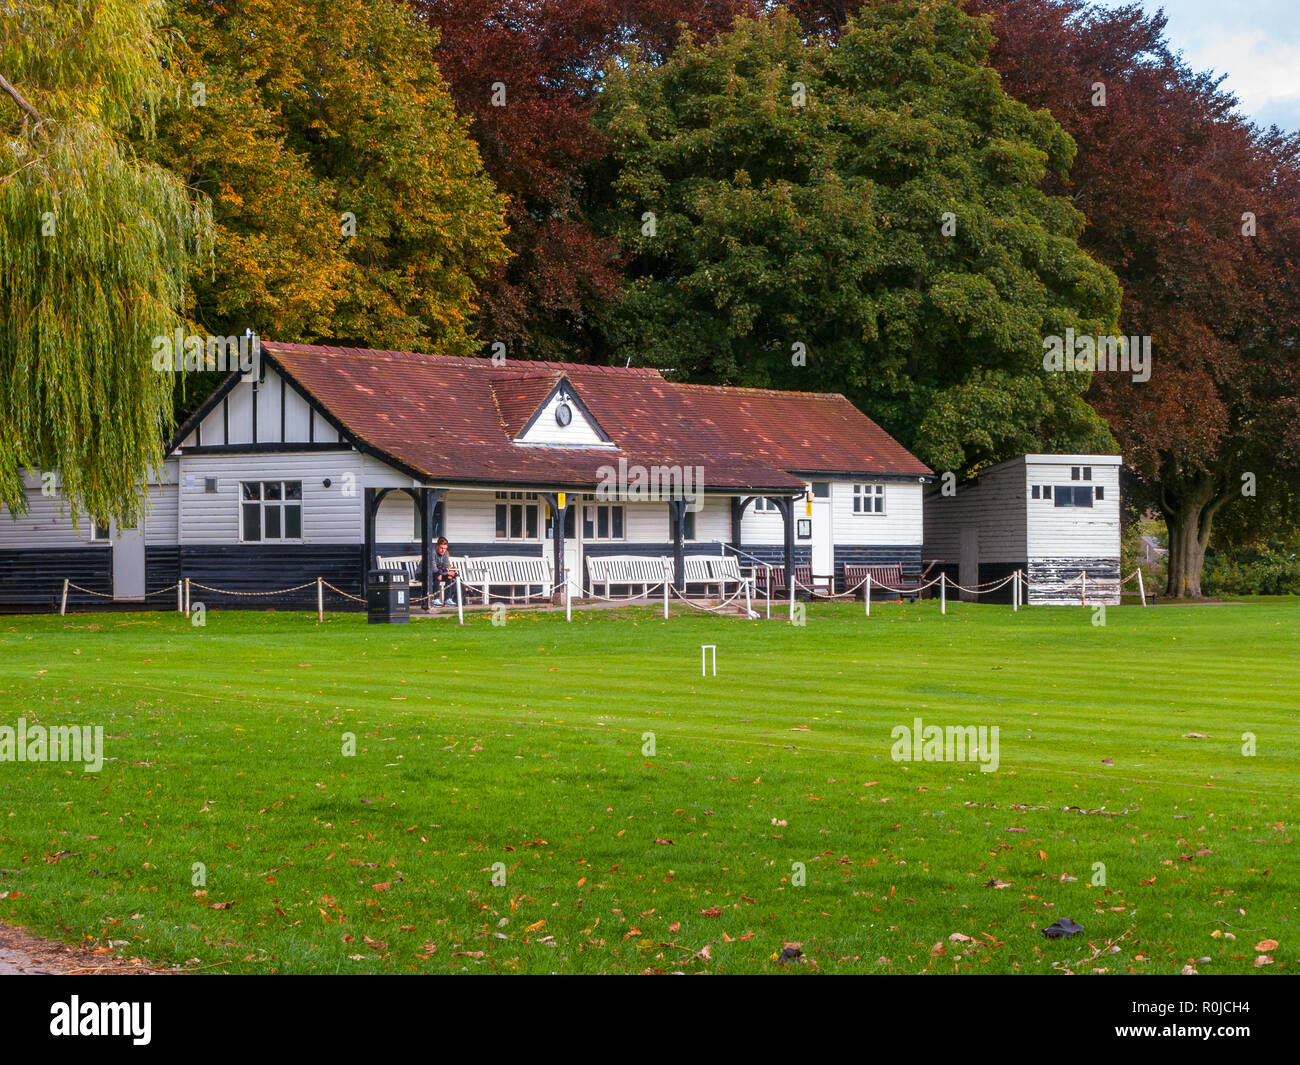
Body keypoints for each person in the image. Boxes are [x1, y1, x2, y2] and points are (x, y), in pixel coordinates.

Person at [431, 536, 458, 606]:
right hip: (423, 574)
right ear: (437, 546)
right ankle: (435, 599)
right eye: (441, 548)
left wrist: (447, 573)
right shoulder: (432, 552)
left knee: (449, 576)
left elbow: (446, 567)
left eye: (445, 548)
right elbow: (434, 569)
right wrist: (444, 572)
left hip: (437, 573)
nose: (443, 550)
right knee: (438, 575)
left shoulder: (445, 553)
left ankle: (447, 599)